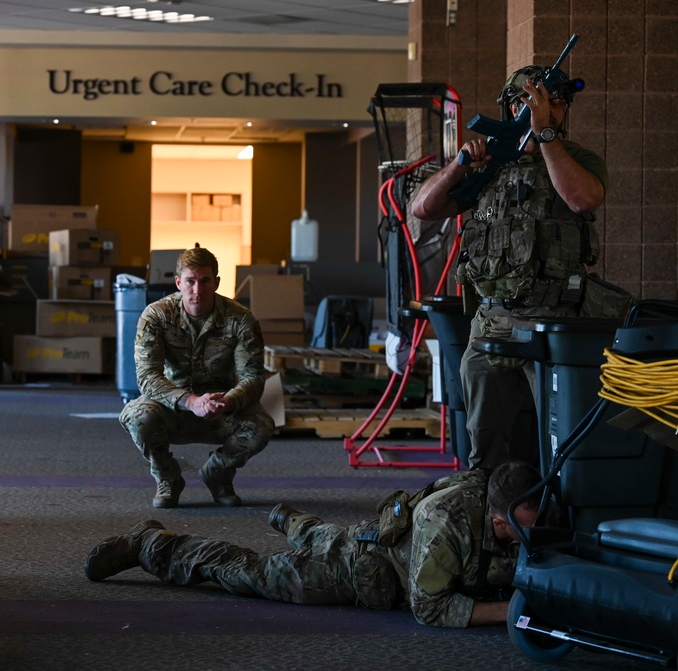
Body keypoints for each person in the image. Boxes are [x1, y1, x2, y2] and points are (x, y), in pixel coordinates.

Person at [409, 64, 631, 470]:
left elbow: (582, 199)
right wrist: (460, 165)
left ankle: (555, 518)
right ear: (513, 108)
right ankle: (489, 517)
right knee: (485, 441)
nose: (549, 109)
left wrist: (545, 136)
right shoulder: (490, 164)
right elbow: (424, 208)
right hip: (493, 319)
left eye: (556, 103)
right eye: (535, 102)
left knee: (560, 435)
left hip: (555, 319)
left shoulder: (575, 158)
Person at [85, 461, 543, 628]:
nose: (531, 539)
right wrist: (512, 611)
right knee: (250, 574)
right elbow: (431, 609)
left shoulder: (520, 497)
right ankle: (152, 544)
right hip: (355, 572)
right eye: (520, 533)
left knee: (334, 537)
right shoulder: (448, 525)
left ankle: (296, 523)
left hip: (375, 540)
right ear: (498, 520)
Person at [119, 246, 274, 508]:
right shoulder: (156, 316)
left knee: (262, 426)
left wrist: (228, 401)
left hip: (221, 408)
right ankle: (168, 477)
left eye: (204, 281)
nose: (197, 290)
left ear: (216, 282)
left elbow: (254, 376)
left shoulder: (240, 319)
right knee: (137, 415)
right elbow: (147, 377)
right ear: (179, 282)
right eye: (190, 281)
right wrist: (191, 401)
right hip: (173, 406)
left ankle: (218, 473)